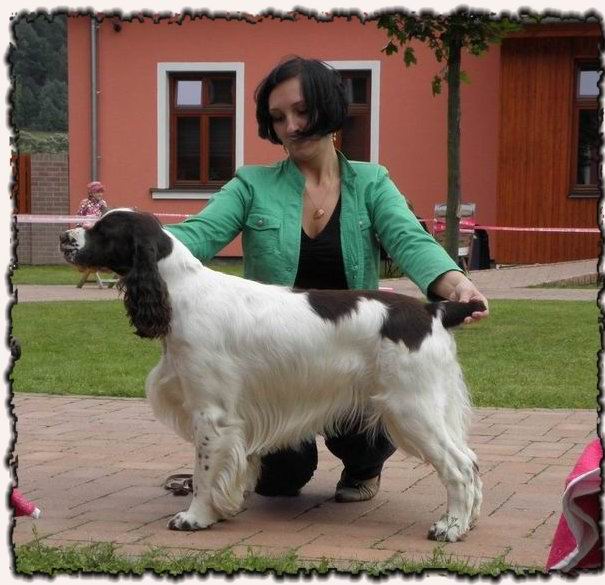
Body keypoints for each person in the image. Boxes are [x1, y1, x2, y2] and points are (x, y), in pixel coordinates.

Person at [164, 56, 489, 503]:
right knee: (281, 481)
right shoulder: (251, 185)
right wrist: (136, 241)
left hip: (353, 347)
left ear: (328, 109)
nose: (291, 127)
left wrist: (455, 285)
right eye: (278, 117)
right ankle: (250, 467)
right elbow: (197, 235)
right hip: (279, 358)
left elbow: (410, 240)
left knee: (377, 425)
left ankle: (363, 468)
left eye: (301, 111)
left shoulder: (371, 182)